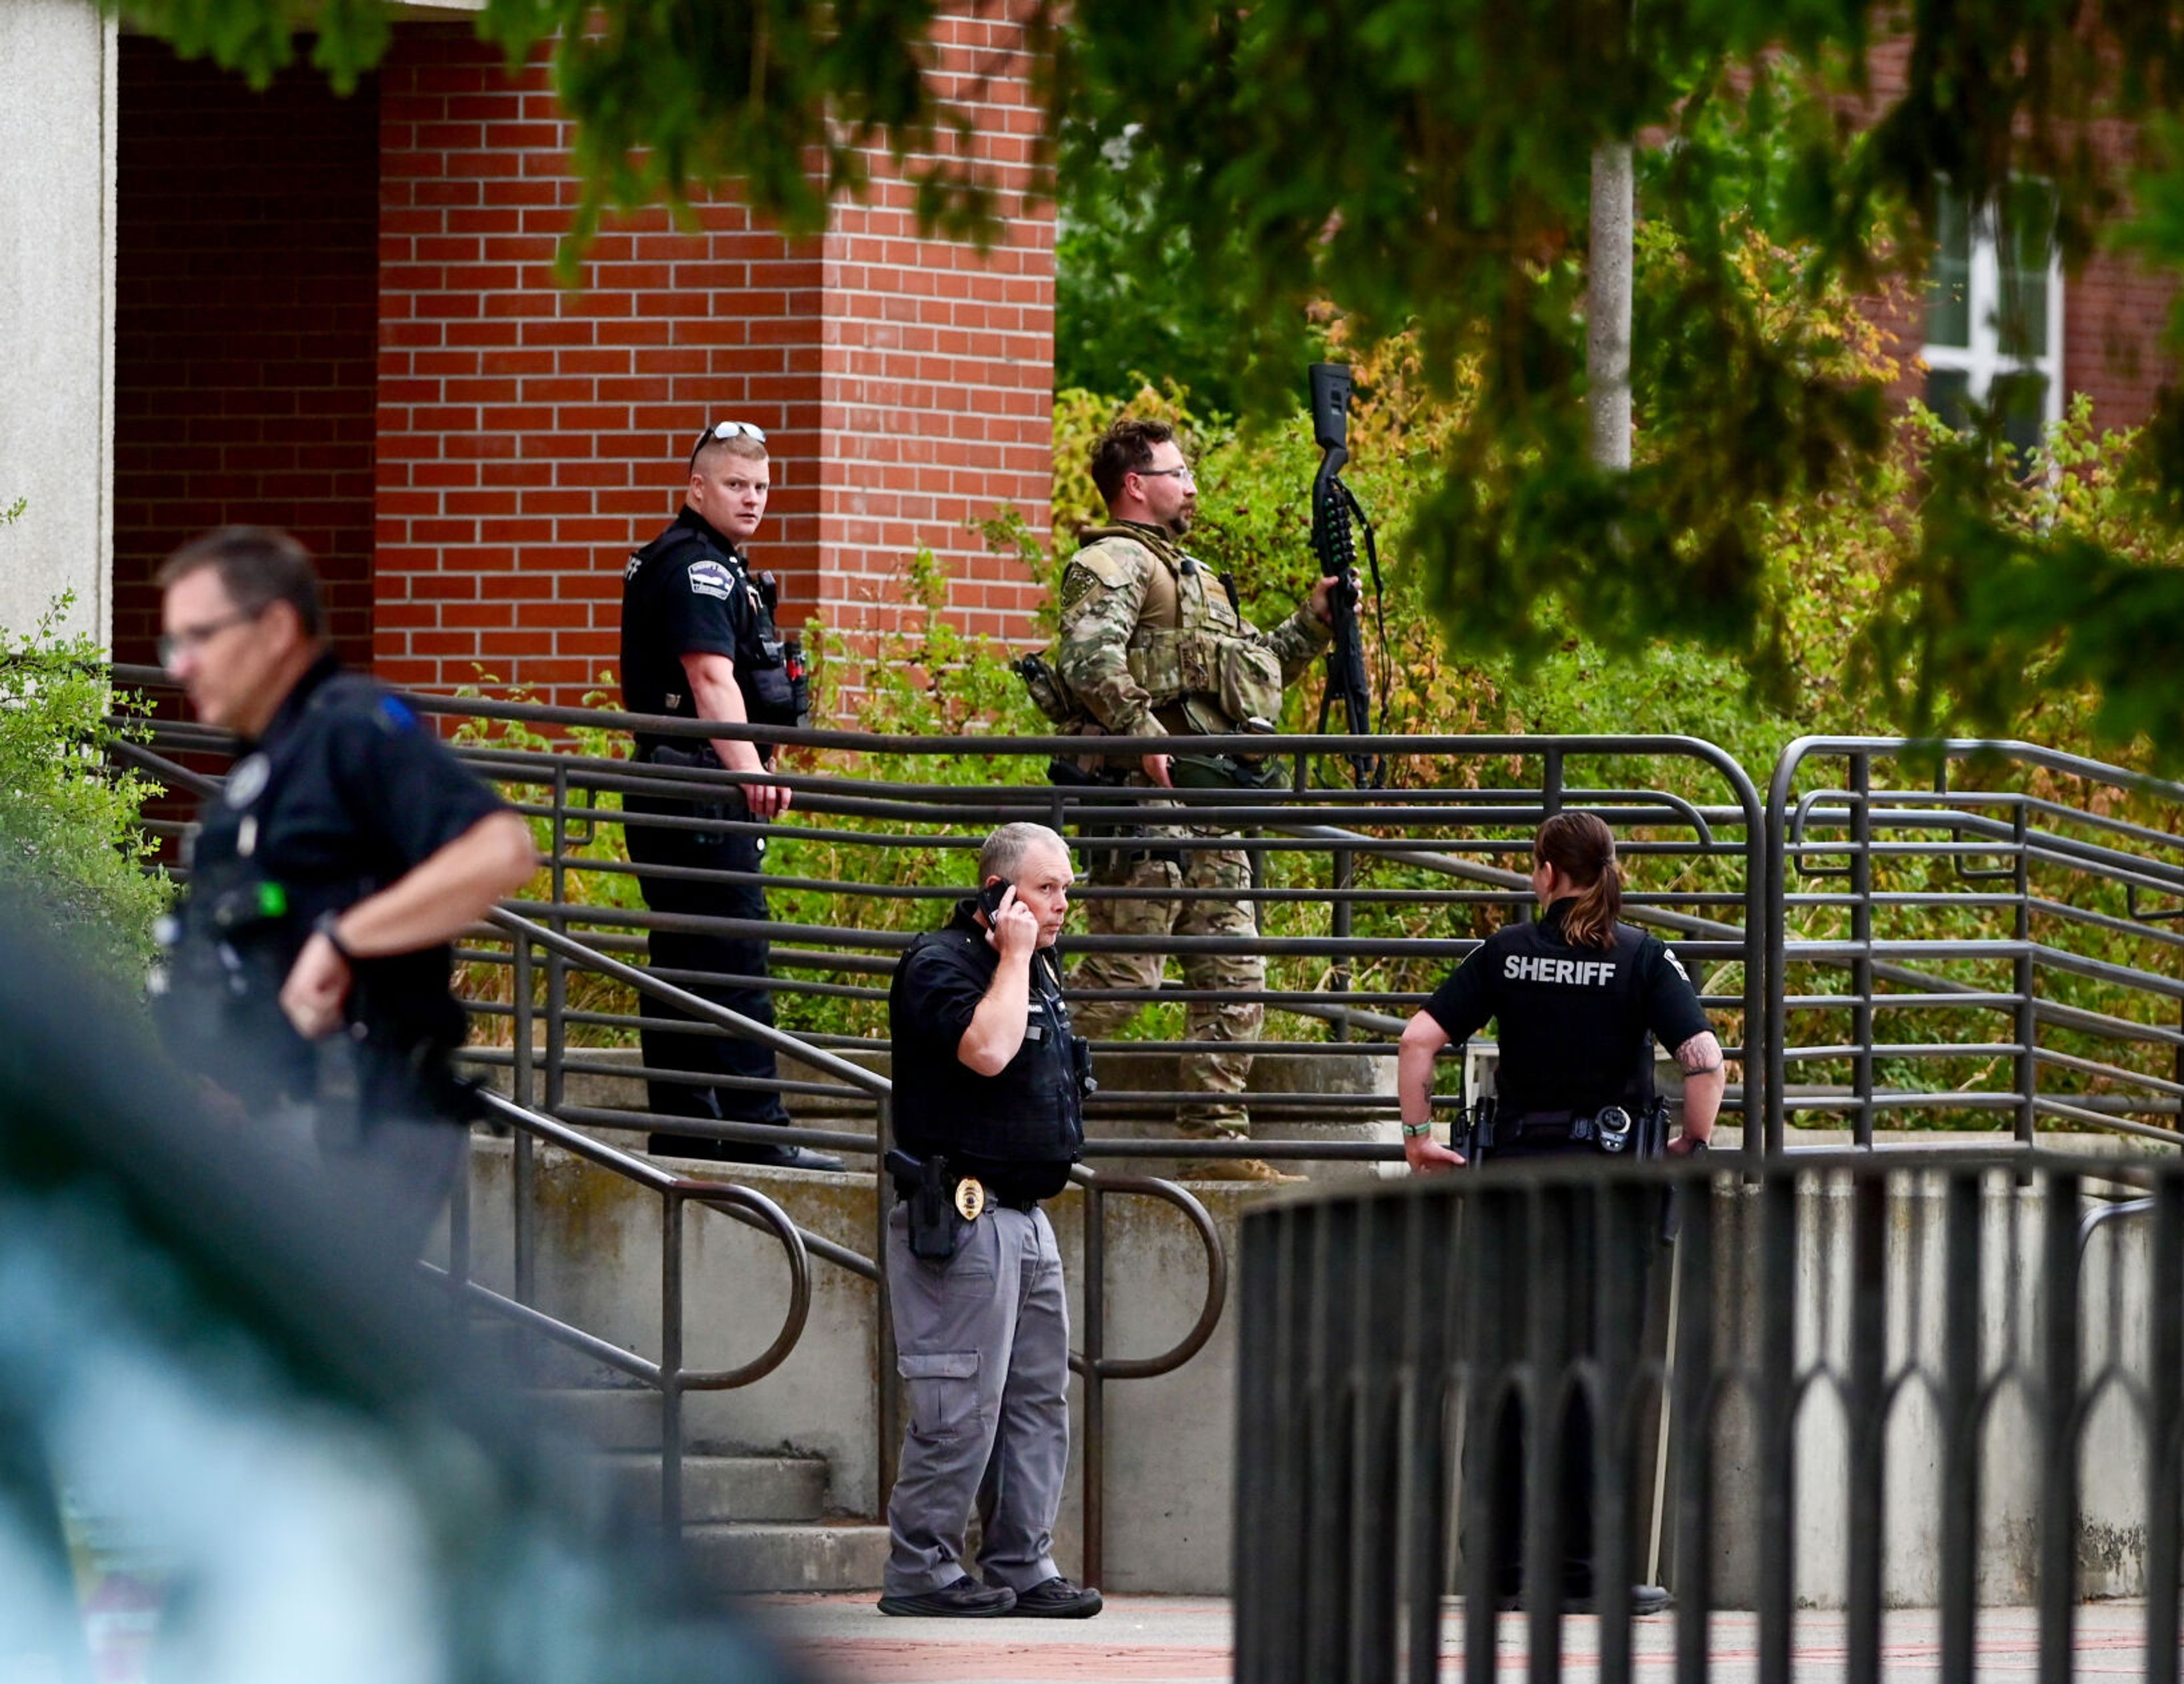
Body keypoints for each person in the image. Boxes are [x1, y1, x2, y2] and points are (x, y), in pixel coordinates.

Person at [151, 526, 539, 1259]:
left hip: (356, 1115)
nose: (183, 666)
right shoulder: (251, 780)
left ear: (275, 628)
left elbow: (501, 850)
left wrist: (345, 939)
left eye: (199, 636)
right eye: (174, 645)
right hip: (271, 1121)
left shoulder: (353, 726)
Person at [1395, 811, 1722, 1617]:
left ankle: (1500, 1564)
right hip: (1607, 1196)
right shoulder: (1643, 957)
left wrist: (1417, 1139)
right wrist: (1691, 1139)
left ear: (1545, 873)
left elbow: (1418, 1040)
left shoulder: (1507, 952)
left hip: (1513, 1189)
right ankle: (1585, 1567)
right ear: (1611, 871)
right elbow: (1706, 1059)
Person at [1045, 417, 1341, 1182]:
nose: (1193, 485)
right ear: (1136, 485)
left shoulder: (1196, 577)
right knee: (1125, 976)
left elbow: (1249, 672)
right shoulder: (1113, 560)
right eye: (1177, 472)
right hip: (1146, 805)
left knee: (1235, 975)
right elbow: (1086, 659)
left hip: (1211, 804)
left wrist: (1312, 621)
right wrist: (1141, 731)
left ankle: (1214, 1141)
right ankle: (997, 1062)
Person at [878, 823, 1102, 1620]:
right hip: (963, 1213)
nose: (1062, 903)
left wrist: (1025, 960)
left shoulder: (1038, 968)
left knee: (1038, 1402)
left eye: (1067, 888)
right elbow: (986, 1052)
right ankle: (922, 1566)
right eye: (1048, 889)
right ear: (998, 893)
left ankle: (1021, 1558)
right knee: (959, 1402)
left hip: (1028, 1213)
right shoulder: (944, 963)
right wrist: (1011, 957)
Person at [618, 420, 842, 1172]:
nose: (752, 499)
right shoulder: (697, 568)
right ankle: (758, 1133)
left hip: (680, 784)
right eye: (736, 485)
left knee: (687, 962)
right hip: (696, 790)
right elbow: (712, 679)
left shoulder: (714, 561)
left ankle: (688, 1131)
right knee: (734, 959)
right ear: (697, 488)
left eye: (761, 487)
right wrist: (753, 773)